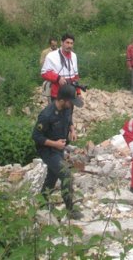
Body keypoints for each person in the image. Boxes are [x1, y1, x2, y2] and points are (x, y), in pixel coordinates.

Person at [32, 85, 83, 219]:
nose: (72, 104)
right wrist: (54, 143)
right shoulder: (46, 115)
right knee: (66, 174)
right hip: (48, 150)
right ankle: (70, 210)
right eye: (70, 101)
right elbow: (36, 137)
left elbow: (69, 119)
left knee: (52, 176)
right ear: (62, 100)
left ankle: (42, 202)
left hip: (60, 148)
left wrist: (72, 130)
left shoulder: (67, 107)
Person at [41, 33, 82, 103]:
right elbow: (44, 73)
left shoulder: (74, 56)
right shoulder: (51, 56)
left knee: (68, 113)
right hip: (57, 94)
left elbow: (75, 76)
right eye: (67, 43)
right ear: (61, 43)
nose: (69, 45)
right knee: (56, 113)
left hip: (70, 94)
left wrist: (78, 92)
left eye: (71, 43)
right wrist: (58, 78)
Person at [40, 37, 59, 104]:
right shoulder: (45, 52)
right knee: (49, 92)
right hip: (49, 76)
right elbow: (42, 63)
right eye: (53, 45)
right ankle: (50, 104)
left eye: (56, 45)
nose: (55, 47)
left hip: (59, 75)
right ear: (50, 45)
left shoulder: (59, 51)